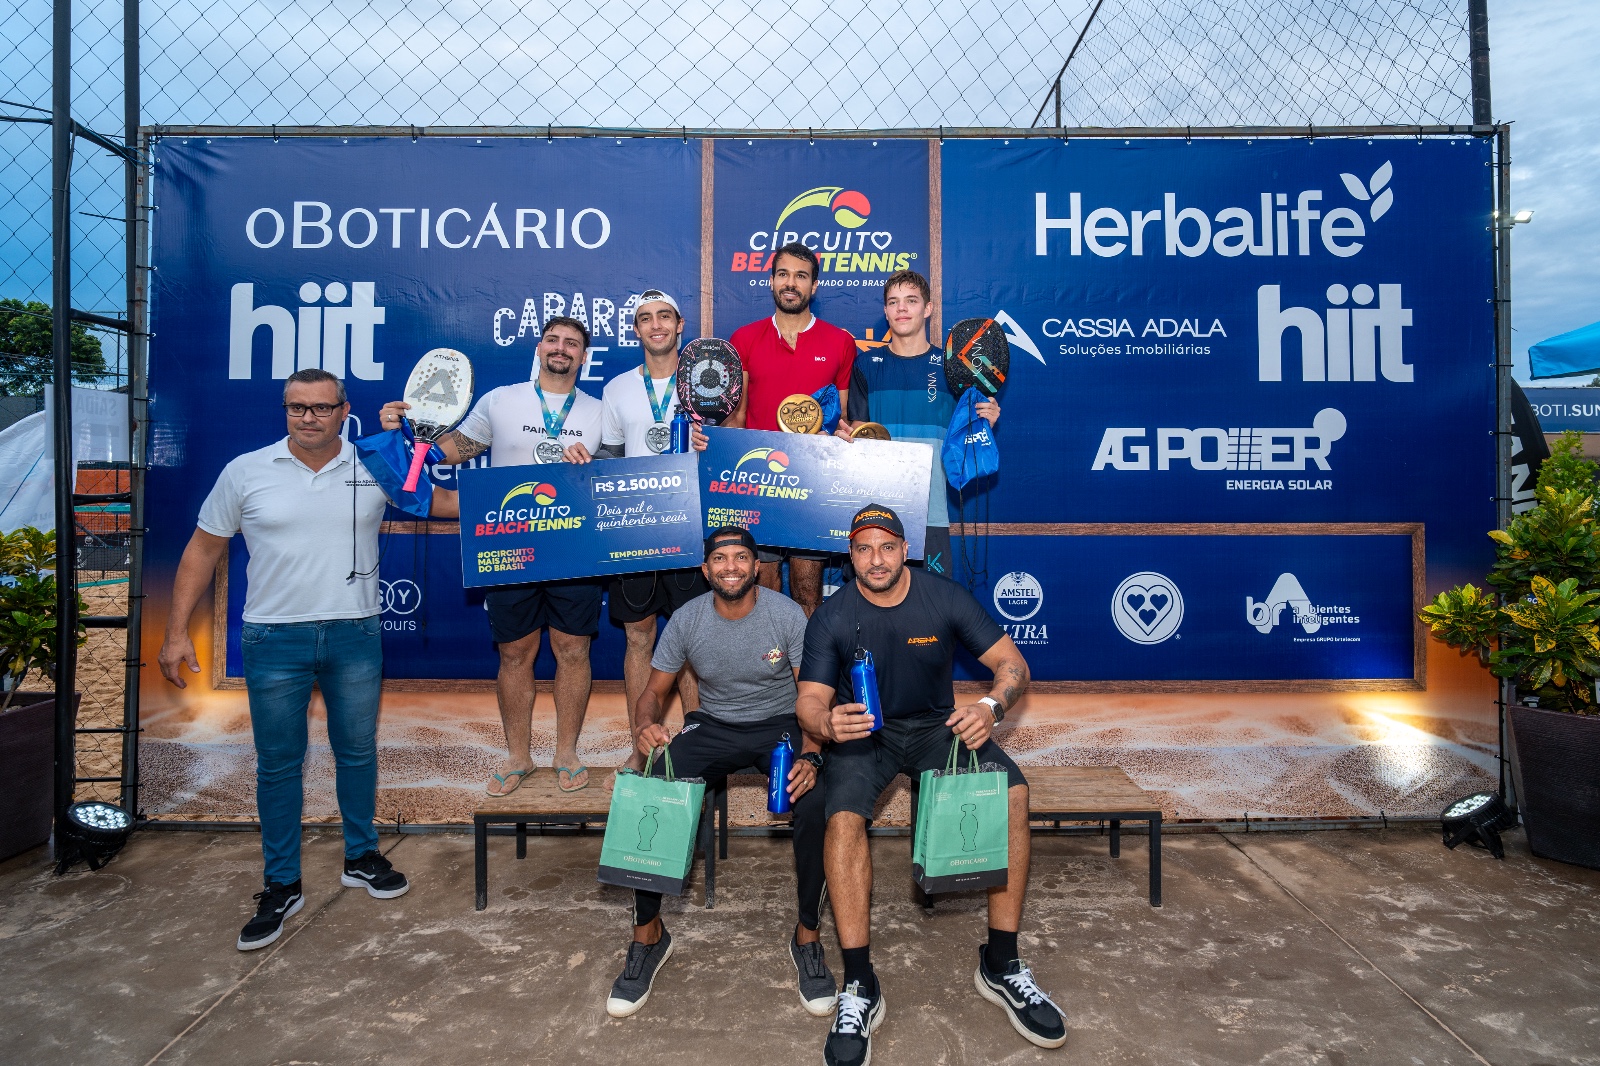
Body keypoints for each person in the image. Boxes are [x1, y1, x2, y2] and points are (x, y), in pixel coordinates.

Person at [159, 368, 459, 951]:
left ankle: (361, 855)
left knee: (357, 752)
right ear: (285, 410)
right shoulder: (245, 471)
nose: (309, 417)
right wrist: (174, 632)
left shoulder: (376, 463)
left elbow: (441, 502)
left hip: (354, 635)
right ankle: (280, 883)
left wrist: (537, 496)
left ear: (343, 410)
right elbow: (201, 551)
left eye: (321, 408)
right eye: (297, 407)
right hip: (274, 640)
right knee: (276, 764)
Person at [796, 504, 1065, 1065]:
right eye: (864, 548)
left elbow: (1012, 665)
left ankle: (1002, 963)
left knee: (1013, 790)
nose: (876, 559)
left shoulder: (944, 596)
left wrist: (991, 706)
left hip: (933, 727)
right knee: (840, 816)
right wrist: (825, 723)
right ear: (851, 555)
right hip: (866, 733)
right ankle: (860, 984)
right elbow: (811, 701)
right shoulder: (832, 615)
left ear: (905, 550)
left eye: (887, 547)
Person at [606, 525, 833, 1021]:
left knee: (815, 802)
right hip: (712, 724)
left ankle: (808, 937)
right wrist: (644, 728)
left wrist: (812, 755)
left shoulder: (786, 614)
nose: (731, 567)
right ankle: (648, 937)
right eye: (721, 559)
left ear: (756, 566)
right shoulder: (687, 618)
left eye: (741, 558)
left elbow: (811, 695)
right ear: (705, 569)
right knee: (656, 789)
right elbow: (653, 692)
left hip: (780, 724)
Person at [379, 316, 605, 795]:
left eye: (571, 343)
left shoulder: (600, 410)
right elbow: (445, 452)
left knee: (573, 650)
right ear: (540, 347)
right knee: (515, 652)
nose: (560, 349)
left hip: (574, 547)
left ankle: (566, 752)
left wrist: (596, 463)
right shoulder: (500, 401)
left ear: (584, 356)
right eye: (552, 340)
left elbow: (618, 475)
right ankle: (518, 756)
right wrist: (404, 438)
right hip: (509, 546)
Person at [585, 290, 710, 772]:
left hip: (691, 523)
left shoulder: (706, 380)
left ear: (680, 324)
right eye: (644, 319)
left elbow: (730, 441)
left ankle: (700, 744)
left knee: (694, 638)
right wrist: (585, 459)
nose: (655, 325)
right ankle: (641, 748)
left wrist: (710, 440)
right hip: (634, 529)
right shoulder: (616, 390)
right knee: (638, 636)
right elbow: (612, 458)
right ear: (635, 329)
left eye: (664, 317)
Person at [727, 242, 857, 616]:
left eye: (801, 276)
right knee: (763, 593)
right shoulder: (745, 338)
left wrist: (835, 438)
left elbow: (843, 418)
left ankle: (809, 675)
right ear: (770, 281)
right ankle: (768, 674)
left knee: (807, 594)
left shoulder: (839, 342)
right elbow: (736, 418)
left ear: (813, 286)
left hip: (812, 486)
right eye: (783, 274)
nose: (791, 283)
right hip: (757, 485)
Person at [844, 270, 999, 577]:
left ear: (928, 309)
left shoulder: (953, 370)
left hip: (932, 512)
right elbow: (860, 439)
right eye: (893, 302)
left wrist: (985, 427)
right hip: (877, 509)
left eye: (911, 301)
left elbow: (964, 449)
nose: (902, 308)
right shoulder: (865, 365)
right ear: (886, 311)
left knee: (931, 615)